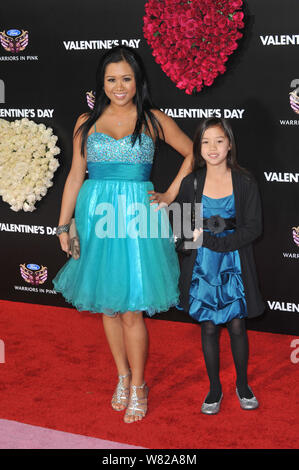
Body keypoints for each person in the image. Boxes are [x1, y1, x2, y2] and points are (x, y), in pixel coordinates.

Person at [52, 46, 193, 423]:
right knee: (108, 306)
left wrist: (171, 193)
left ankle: (139, 386)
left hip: (135, 220)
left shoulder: (152, 120)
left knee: (132, 310)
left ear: (138, 82)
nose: (119, 86)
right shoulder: (87, 121)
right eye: (111, 79)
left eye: (126, 79)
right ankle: (122, 376)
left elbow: (192, 153)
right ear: (102, 83)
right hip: (95, 216)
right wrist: (64, 225)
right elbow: (75, 176)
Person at [176, 117, 264, 414]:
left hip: (234, 262)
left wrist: (215, 242)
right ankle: (215, 388)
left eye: (219, 141)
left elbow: (253, 228)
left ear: (229, 145)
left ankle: (242, 385)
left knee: (238, 325)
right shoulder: (191, 182)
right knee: (209, 327)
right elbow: (180, 230)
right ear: (198, 147)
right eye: (205, 141)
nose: (212, 148)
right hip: (202, 267)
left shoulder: (245, 181)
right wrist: (189, 239)